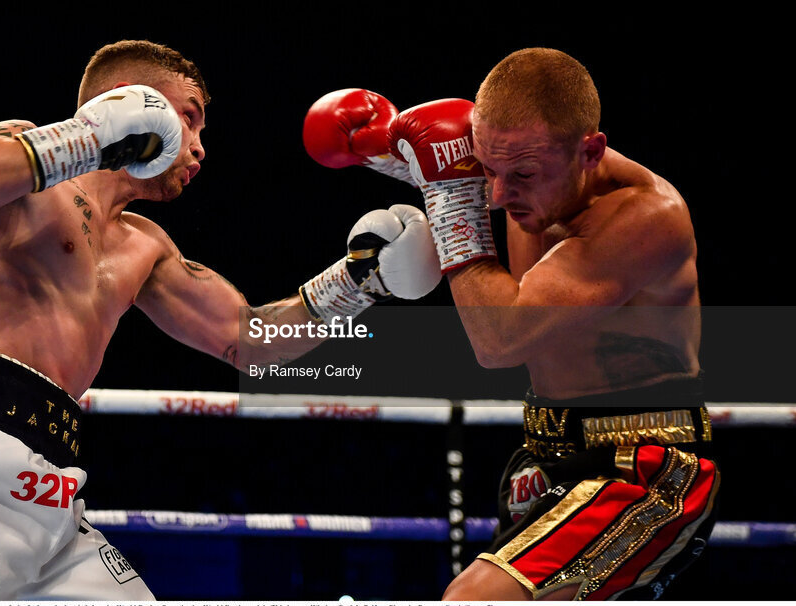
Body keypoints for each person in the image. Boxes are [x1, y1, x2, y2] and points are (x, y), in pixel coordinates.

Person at [0, 39, 441, 600]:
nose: (200, 145)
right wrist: (89, 137)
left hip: (51, 484)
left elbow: (248, 343)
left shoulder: (144, 247)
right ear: (132, 102)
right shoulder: (25, 164)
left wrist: (360, 282)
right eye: (191, 115)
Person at [306, 48, 719, 601]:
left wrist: (449, 195)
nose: (499, 193)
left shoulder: (643, 217)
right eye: (488, 169)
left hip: (643, 466)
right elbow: (453, 166)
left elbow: (500, 341)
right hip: (545, 453)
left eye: (521, 174)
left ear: (590, 151)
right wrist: (376, 151)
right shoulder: (527, 170)